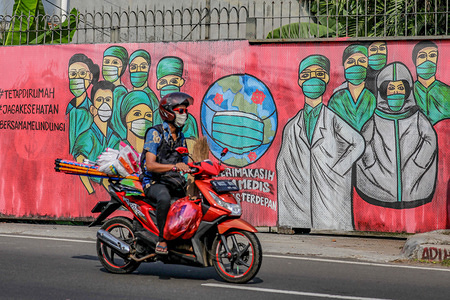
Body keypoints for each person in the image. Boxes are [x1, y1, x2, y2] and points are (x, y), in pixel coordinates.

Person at [277, 55, 365, 231]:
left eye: (318, 74)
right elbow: (283, 162)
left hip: (331, 190)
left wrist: (338, 169)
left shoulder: (332, 119)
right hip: (300, 195)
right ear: (300, 81)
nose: (313, 79)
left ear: (326, 79)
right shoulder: (292, 125)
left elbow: (359, 143)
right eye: (307, 75)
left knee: (330, 223)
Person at [355, 62, 437, 208]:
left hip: (416, 188)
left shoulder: (417, 117)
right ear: (382, 91)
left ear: (407, 90)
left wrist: (419, 162)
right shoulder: (375, 119)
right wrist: (371, 163)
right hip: (378, 187)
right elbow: (363, 143)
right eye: (391, 88)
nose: (395, 92)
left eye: (400, 88)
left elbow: (430, 140)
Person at [140, 92, 192, 255]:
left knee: (192, 202)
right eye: (180, 111)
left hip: (172, 181)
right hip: (154, 182)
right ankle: (162, 239)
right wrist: (174, 166)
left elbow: (186, 162)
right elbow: (150, 165)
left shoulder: (181, 137)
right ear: (168, 112)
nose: (184, 115)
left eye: (186, 111)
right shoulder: (155, 133)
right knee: (164, 198)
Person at [328, 44, 376, 131]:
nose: (356, 65)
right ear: (344, 66)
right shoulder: (336, 99)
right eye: (350, 62)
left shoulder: (372, 97)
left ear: (367, 65)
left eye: (361, 61)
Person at [412, 41, 450, 125]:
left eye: (432, 55)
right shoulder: (410, 92)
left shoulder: (447, 92)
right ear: (415, 61)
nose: (427, 60)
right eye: (422, 56)